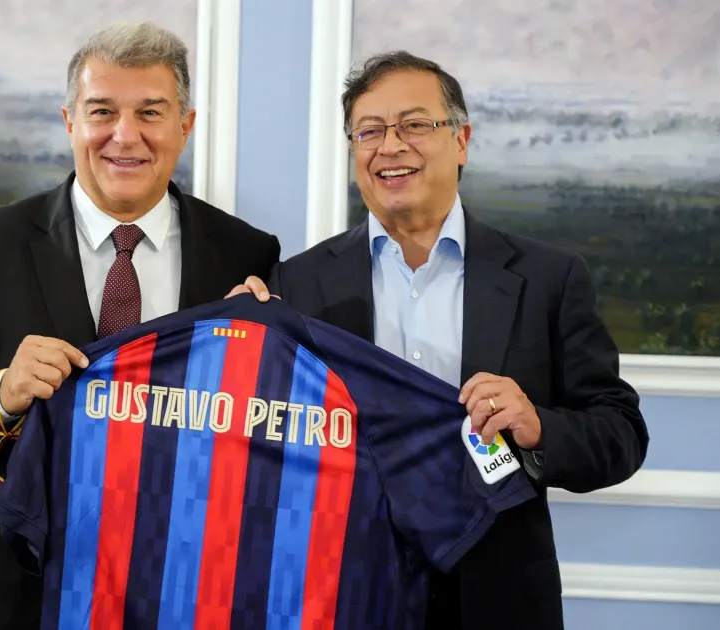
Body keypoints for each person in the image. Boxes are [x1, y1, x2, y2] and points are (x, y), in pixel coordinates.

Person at [0, 22, 280, 630]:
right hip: (21, 597)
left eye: (150, 112)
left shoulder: (246, 253)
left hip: (186, 592)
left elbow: (269, 430)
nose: (126, 135)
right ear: (70, 121)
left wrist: (260, 356)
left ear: (185, 126)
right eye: (102, 111)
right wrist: (2, 393)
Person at [229, 50, 648, 630]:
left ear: (461, 141)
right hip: (341, 596)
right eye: (369, 131)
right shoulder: (294, 285)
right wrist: (235, 347)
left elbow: (620, 434)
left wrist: (537, 427)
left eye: (415, 124)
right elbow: (258, 440)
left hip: (495, 602)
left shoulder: (548, 278)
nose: (390, 146)